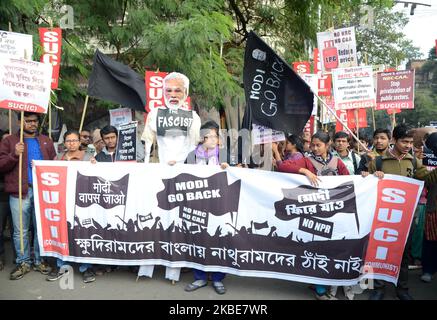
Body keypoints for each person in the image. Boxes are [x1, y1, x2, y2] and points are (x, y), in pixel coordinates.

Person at [140, 72, 201, 283]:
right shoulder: (155, 114)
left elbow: (195, 149)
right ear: (163, 92)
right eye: (169, 90)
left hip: (182, 176)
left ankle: (173, 271)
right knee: (152, 219)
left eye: (178, 90)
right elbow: (147, 145)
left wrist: (181, 163)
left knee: (175, 221)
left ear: (185, 93)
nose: (173, 94)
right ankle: (145, 269)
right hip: (157, 174)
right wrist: (148, 169)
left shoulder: (193, 118)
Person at [276, 131, 349, 300]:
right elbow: (283, 166)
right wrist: (304, 171)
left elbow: (350, 180)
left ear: (327, 145)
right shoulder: (307, 160)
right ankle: (320, 290)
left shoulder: (337, 162)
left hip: (333, 211)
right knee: (316, 247)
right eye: (313, 145)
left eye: (319, 145)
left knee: (329, 248)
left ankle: (319, 282)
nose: (314, 148)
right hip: (313, 212)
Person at [367, 124, 437, 300]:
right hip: (381, 217)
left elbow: (427, 178)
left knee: (403, 255)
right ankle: (378, 288)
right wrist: (371, 177)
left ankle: (402, 289)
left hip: (406, 219)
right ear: (393, 141)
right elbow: (365, 184)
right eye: (404, 142)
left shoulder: (413, 161)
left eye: (411, 142)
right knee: (379, 253)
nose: (408, 146)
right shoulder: (378, 162)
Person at [0, 112, 56, 280]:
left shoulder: (46, 140)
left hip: (42, 191)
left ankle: (39, 260)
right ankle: (23, 261)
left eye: (35, 121)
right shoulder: (9, 141)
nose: (32, 124)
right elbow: (1, 165)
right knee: (20, 231)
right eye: (28, 121)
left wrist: (52, 164)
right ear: (19, 122)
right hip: (19, 192)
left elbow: (54, 162)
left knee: (40, 229)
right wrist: (14, 154)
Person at [45, 130, 96, 283]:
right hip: (62, 202)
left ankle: (86, 267)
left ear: (80, 142)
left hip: (82, 203)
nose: (72, 143)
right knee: (63, 233)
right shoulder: (58, 159)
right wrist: (38, 167)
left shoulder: (88, 158)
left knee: (83, 233)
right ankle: (62, 265)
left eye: (74, 140)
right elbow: (47, 171)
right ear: (64, 143)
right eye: (68, 141)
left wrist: (95, 165)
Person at [184, 120, 228, 294]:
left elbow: (238, 172)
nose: (214, 139)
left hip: (219, 204)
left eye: (216, 136)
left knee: (219, 238)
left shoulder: (223, 154)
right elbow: (182, 174)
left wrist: (229, 167)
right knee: (198, 239)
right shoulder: (191, 155)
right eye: (210, 136)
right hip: (197, 204)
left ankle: (218, 278)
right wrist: (172, 166)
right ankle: (200, 277)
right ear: (203, 138)